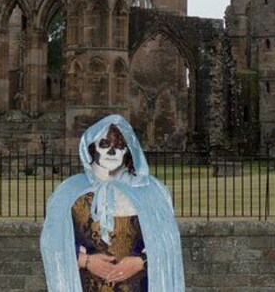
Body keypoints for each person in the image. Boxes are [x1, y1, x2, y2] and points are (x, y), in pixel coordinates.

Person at [41, 115, 184, 291]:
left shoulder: (150, 191)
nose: (111, 152)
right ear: (93, 147)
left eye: (119, 147)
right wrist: (85, 260)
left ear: (128, 151)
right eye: (105, 144)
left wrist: (141, 262)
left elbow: (167, 242)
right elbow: (53, 242)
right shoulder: (69, 191)